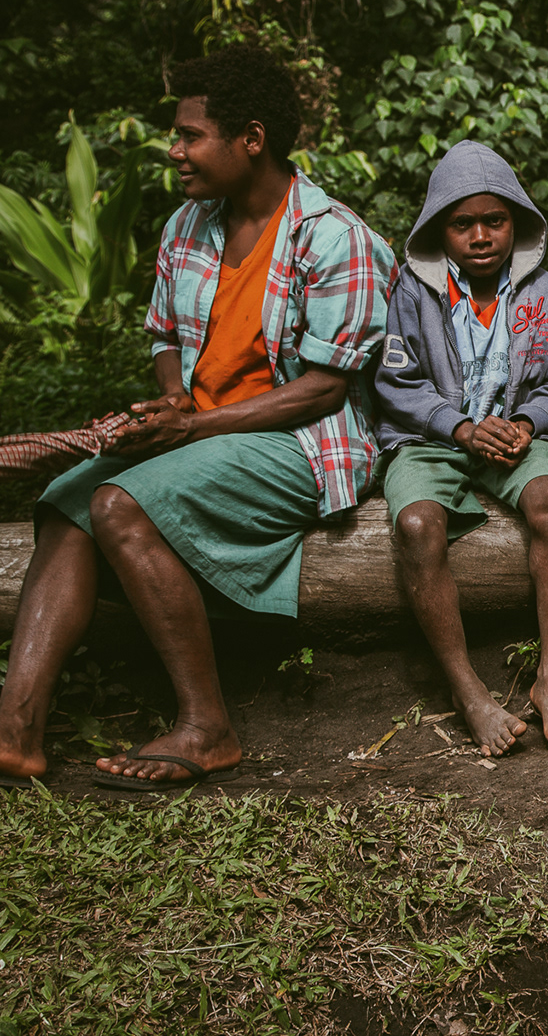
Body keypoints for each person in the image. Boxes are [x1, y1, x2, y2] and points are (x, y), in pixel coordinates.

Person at [0, 45, 396, 791]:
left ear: (252, 138)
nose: (174, 151)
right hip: (203, 434)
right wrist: (176, 400)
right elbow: (166, 339)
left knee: (118, 503)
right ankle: (15, 730)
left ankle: (208, 727)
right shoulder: (188, 225)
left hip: (305, 443)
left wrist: (189, 429)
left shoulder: (336, 236)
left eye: (189, 135)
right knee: (63, 504)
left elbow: (322, 390)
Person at [373, 141, 548, 757]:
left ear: (516, 224)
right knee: (417, 523)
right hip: (429, 440)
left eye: (493, 221)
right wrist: (458, 426)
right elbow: (395, 382)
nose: (479, 236)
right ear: (437, 231)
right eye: (461, 223)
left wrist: (526, 421)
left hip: (514, 439)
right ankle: (467, 689)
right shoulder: (412, 293)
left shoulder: (544, 293)